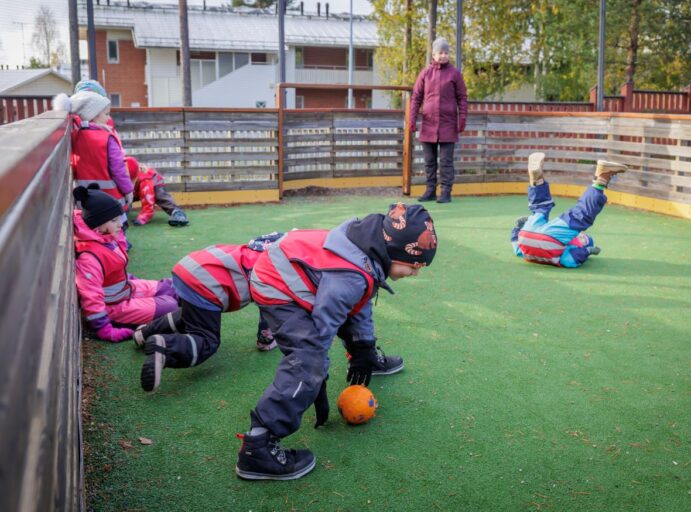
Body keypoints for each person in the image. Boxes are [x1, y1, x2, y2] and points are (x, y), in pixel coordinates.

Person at [234, 203, 438, 481]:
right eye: (414, 265)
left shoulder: (368, 251)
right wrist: (316, 377)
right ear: (396, 251)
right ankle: (257, 447)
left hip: (306, 277)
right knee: (309, 361)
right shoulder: (351, 276)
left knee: (323, 351)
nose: (416, 273)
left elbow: (360, 301)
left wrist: (362, 347)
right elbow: (323, 327)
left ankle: (363, 356)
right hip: (278, 287)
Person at [132, 233, 283, 393]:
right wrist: (266, 340)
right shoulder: (273, 272)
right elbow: (268, 309)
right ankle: (164, 348)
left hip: (188, 267)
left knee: (191, 316)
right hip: (205, 283)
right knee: (207, 340)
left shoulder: (255, 251)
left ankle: (144, 333)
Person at [73, 185, 179, 342]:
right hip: (113, 308)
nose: (120, 224)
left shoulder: (106, 238)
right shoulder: (89, 258)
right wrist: (105, 330)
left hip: (125, 289)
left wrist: (128, 278)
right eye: (114, 220)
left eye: (120, 219)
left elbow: (112, 269)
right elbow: (92, 297)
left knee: (170, 287)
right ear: (97, 224)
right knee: (170, 307)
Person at [511, 152, 628, 268]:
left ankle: (602, 177)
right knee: (540, 208)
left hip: (546, 240)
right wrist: (517, 229)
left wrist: (587, 251)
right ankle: (537, 183)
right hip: (525, 238)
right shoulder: (539, 254)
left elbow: (572, 258)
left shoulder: (564, 247)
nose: (581, 235)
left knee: (579, 217)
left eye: (583, 238)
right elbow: (517, 248)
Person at [409, 37, 468, 204]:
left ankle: (446, 191)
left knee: (446, 161)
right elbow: (416, 97)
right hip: (428, 124)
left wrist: (462, 118)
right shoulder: (425, 73)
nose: (443, 55)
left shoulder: (455, 74)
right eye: (440, 52)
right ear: (433, 55)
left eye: (446, 52)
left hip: (448, 124)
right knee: (429, 161)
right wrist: (412, 118)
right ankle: (430, 190)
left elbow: (462, 98)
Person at [54, 92, 133, 213]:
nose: (108, 118)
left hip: (85, 201)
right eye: (106, 114)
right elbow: (118, 169)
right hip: (111, 200)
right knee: (116, 230)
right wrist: (128, 190)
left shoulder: (76, 136)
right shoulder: (107, 138)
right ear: (93, 115)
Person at [125, 157, 189, 227]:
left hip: (154, 182)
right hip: (134, 185)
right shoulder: (120, 174)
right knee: (125, 197)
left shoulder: (145, 180)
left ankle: (177, 213)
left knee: (160, 196)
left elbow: (148, 202)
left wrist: (142, 219)